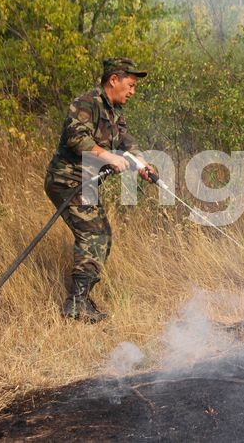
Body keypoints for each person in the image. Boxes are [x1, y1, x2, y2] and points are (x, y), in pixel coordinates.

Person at [45, 58, 156, 323]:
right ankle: (75, 304)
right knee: (93, 234)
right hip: (67, 181)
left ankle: (80, 300)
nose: (132, 92)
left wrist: (142, 164)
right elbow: (75, 137)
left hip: (87, 184)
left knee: (102, 236)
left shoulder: (115, 112)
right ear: (113, 80)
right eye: (130, 85)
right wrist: (107, 156)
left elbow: (126, 143)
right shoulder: (87, 103)